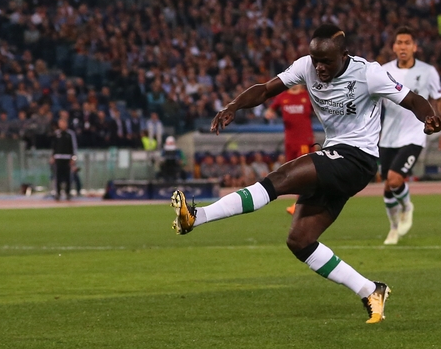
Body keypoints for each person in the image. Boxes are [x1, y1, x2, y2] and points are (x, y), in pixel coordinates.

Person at [171, 24, 441, 324]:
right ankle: (370, 289)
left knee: (279, 179)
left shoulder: (369, 73)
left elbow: (413, 99)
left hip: (358, 159)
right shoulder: (306, 66)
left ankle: (197, 217)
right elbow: (265, 89)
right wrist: (233, 106)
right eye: (315, 60)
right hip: (335, 155)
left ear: (344, 55)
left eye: (326, 61)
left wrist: (428, 116)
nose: (319, 67)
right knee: (300, 240)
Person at [378, 27, 441, 244]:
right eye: (399, 43)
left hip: (415, 134)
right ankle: (394, 228)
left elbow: (437, 99)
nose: (403, 47)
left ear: (415, 47)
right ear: (394, 47)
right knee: (387, 185)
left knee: (395, 179)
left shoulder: (428, 71)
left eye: (407, 43)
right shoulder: (383, 71)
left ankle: (407, 206)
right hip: (387, 136)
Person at [264, 84, 315, 215]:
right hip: (290, 142)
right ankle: (306, 201)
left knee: (303, 171)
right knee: (293, 172)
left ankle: (300, 204)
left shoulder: (307, 95)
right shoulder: (283, 96)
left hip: (304, 140)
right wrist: (270, 113)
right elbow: (270, 110)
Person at [50, 118, 77, 201]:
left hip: (67, 158)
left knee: (68, 177)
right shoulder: (56, 134)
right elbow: (54, 146)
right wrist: (52, 156)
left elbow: (73, 147)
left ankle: (68, 193)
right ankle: (58, 193)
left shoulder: (70, 134)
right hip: (58, 158)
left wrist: (73, 157)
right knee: (57, 177)